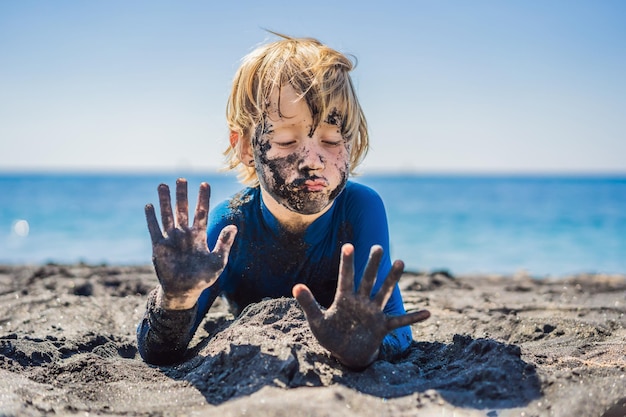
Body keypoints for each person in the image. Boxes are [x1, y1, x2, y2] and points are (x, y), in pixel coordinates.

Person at [137, 33, 430, 370]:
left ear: (351, 142)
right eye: (287, 140)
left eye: (332, 139)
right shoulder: (231, 227)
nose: (313, 160)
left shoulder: (359, 209)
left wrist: (365, 346)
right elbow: (159, 353)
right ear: (246, 147)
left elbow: (394, 324)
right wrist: (176, 298)